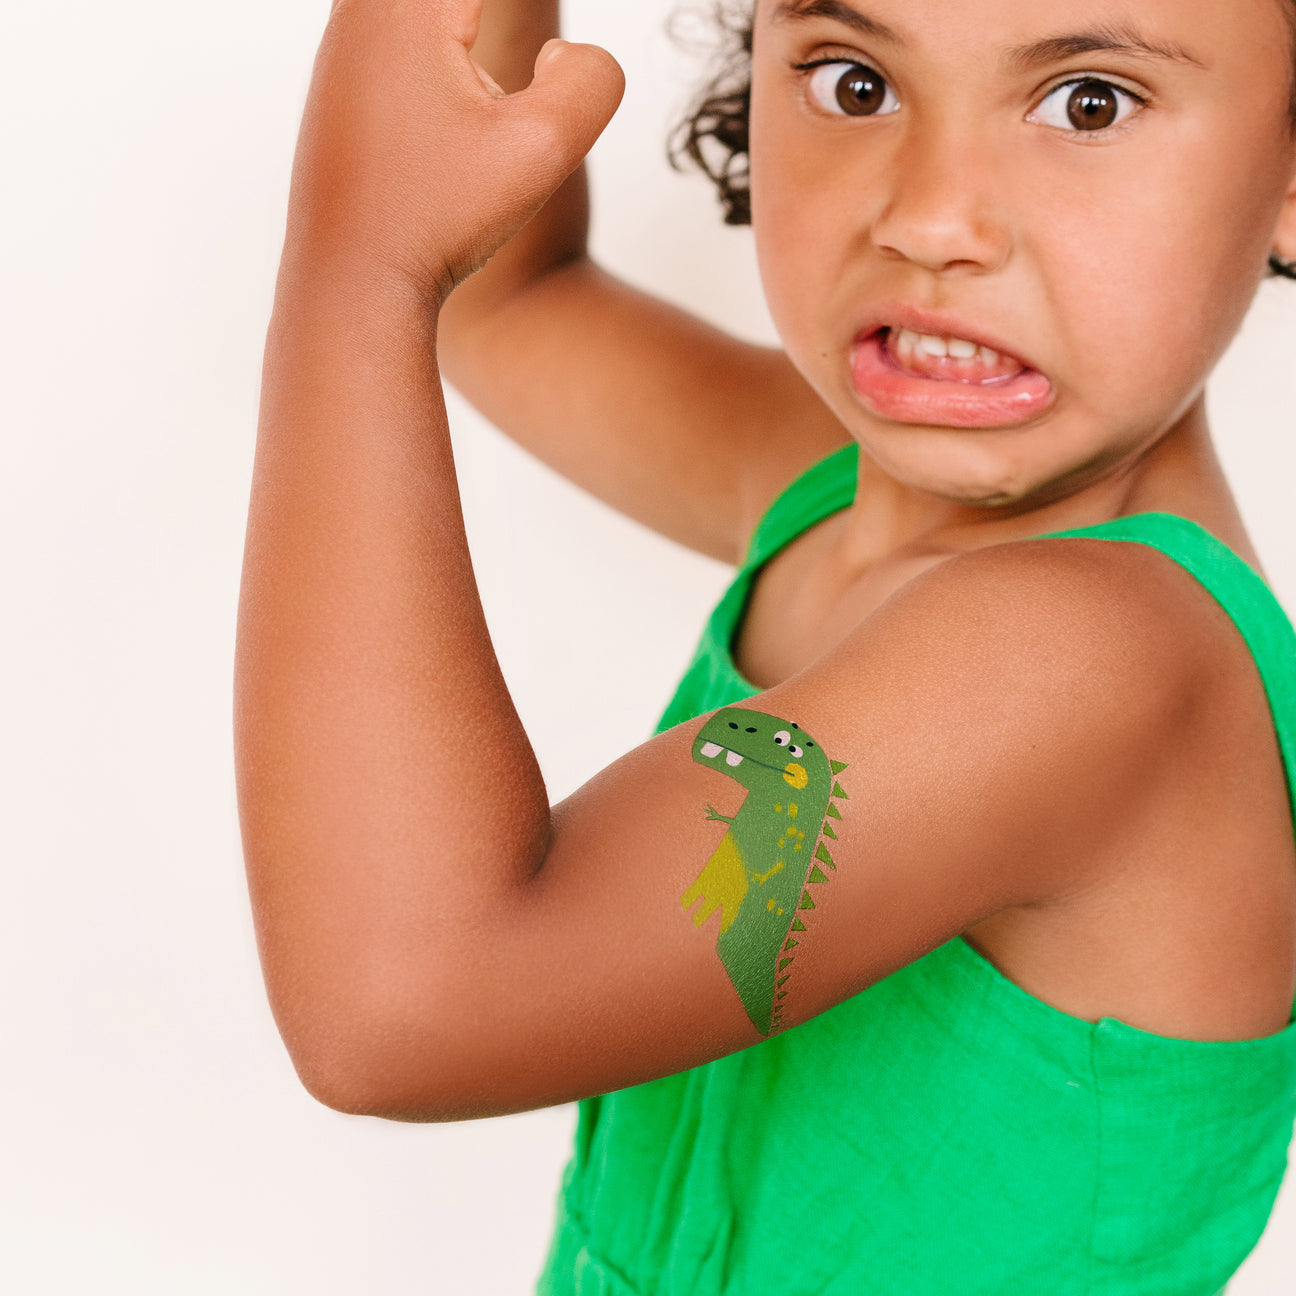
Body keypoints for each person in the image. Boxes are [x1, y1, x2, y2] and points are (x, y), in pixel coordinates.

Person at [234, 0, 1296, 1290]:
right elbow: (508, 297)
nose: (930, 220)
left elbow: (404, 1007)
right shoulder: (835, 493)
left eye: (1090, 103)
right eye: (854, 82)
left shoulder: (1092, 655)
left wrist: (353, 265)